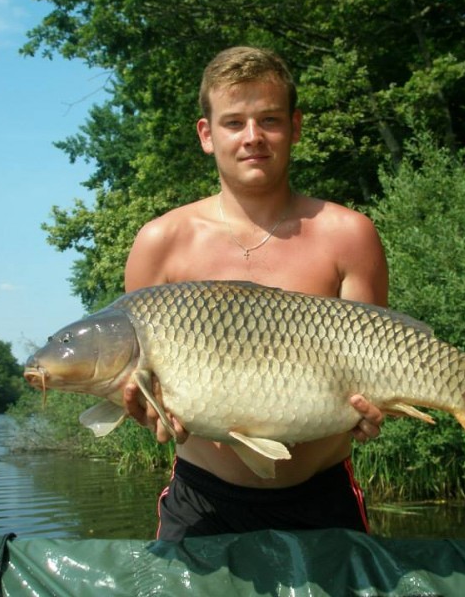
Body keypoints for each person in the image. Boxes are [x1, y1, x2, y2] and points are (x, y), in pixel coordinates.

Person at [122, 46, 389, 541]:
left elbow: (377, 369)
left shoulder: (350, 235)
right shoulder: (159, 243)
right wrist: (141, 409)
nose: (253, 137)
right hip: (202, 501)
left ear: (295, 127)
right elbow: (143, 387)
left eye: (269, 120)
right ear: (207, 134)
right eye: (233, 122)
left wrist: (374, 411)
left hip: (322, 497)